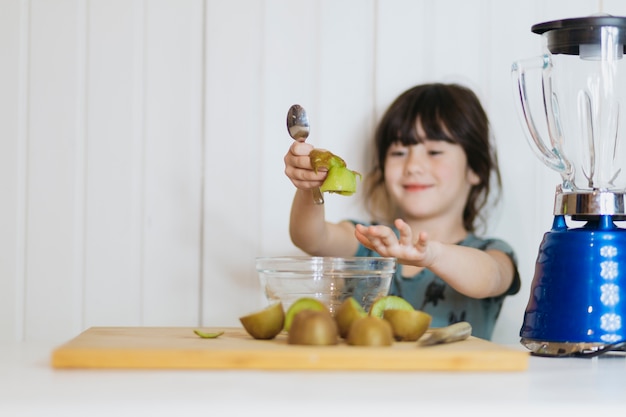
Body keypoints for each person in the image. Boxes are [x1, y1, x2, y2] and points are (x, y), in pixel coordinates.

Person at [283, 83, 520, 340]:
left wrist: (433, 255)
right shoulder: (369, 241)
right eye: (399, 152)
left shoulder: (492, 252)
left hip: (454, 380)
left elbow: (492, 276)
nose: (413, 166)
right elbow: (310, 237)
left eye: (434, 151)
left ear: (475, 169)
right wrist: (308, 186)